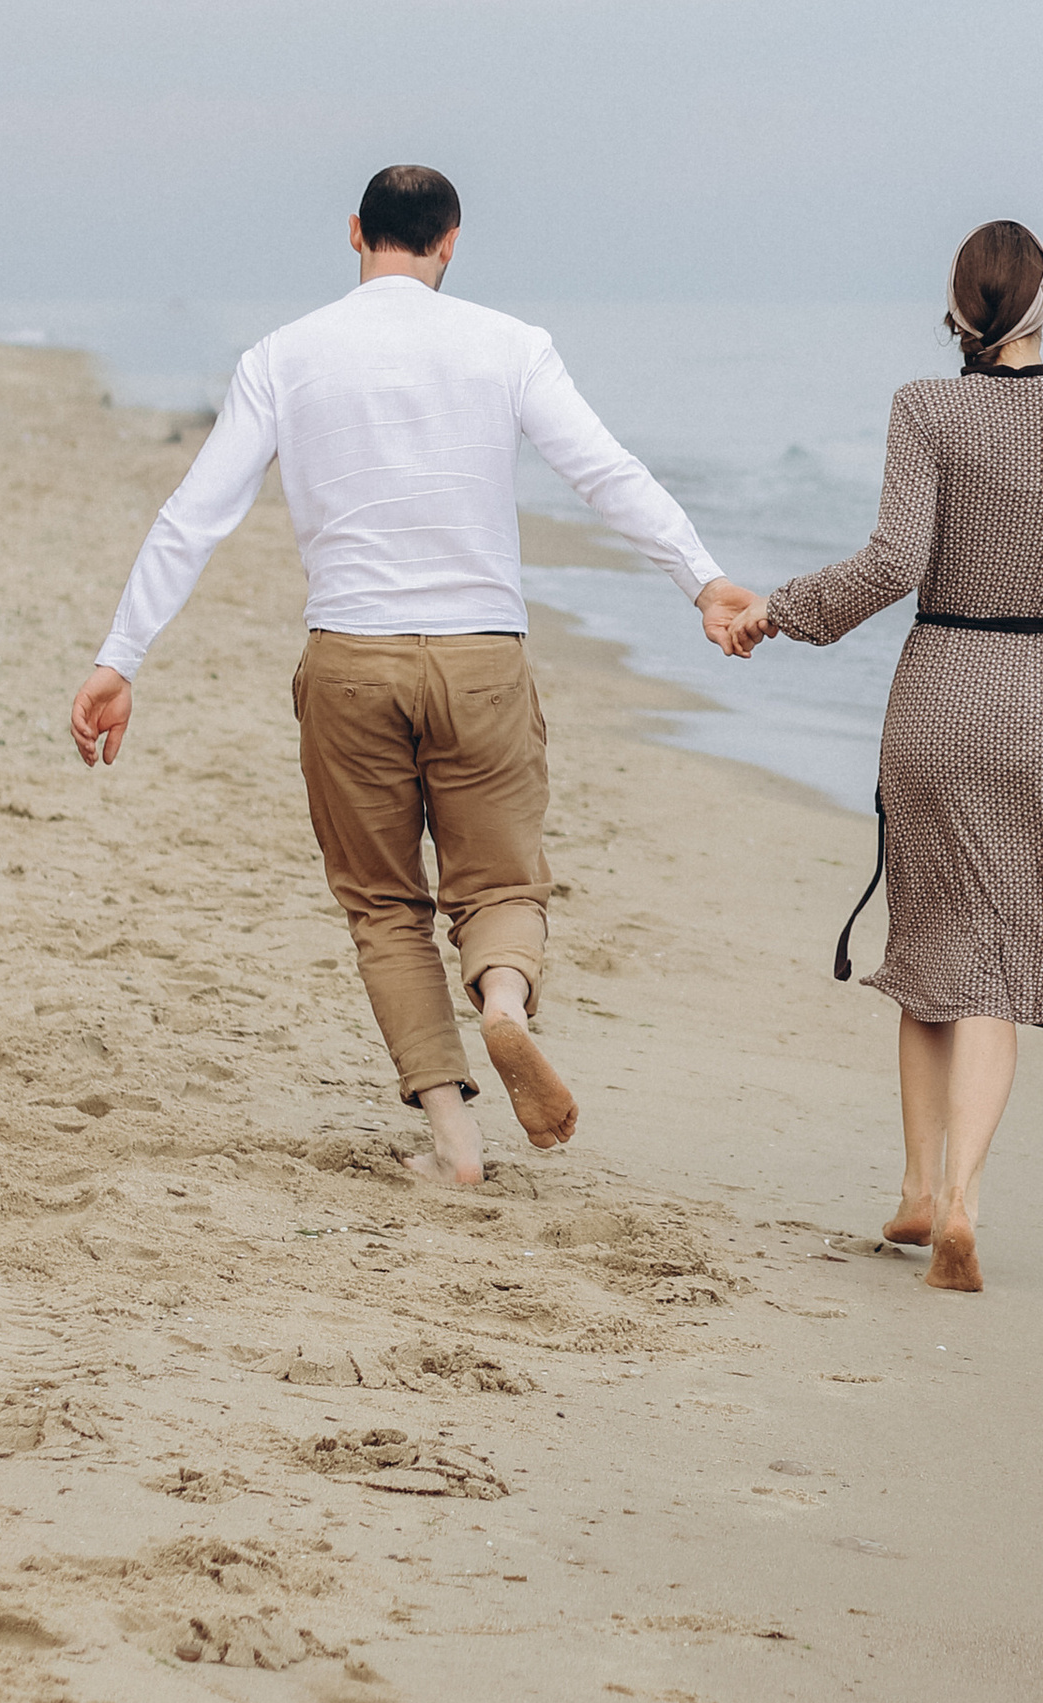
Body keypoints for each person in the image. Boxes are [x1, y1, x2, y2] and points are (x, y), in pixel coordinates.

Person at [69, 166, 759, 1185]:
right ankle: (504, 1004)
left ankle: (454, 1143)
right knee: (502, 882)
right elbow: (605, 472)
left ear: (355, 232)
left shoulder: (282, 356)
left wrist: (119, 658)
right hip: (482, 656)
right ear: (450, 242)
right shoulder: (509, 345)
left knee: (385, 907)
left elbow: (194, 516)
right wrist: (701, 579)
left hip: (350, 659)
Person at [731, 221, 1043, 1291]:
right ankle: (962, 1200)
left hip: (938, 699)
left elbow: (895, 562)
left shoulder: (926, 407)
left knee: (930, 945)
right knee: (1000, 967)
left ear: (958, 311)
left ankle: (919, 1190)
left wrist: (781, 610)